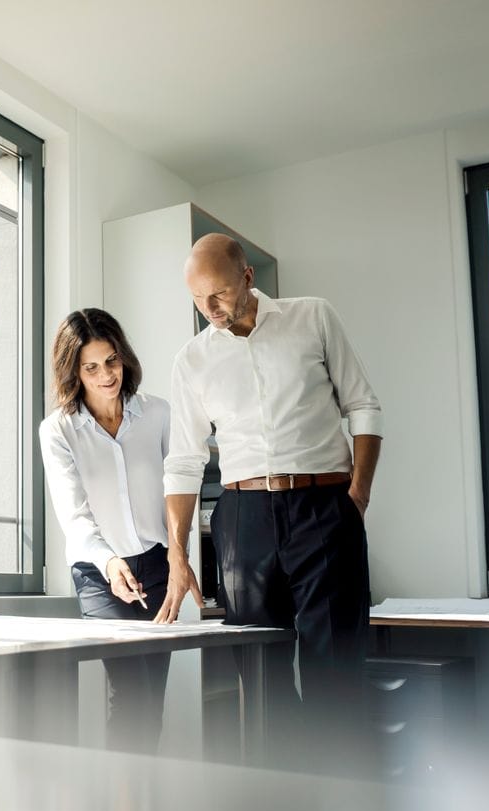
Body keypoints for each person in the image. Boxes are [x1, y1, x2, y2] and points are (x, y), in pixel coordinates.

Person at [158, 233, 382, 772]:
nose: (208, 310)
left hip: (325, 507)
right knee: (260, 671)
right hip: (243, 520)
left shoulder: (313, 317)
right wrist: (177, 551)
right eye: (196, 300)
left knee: (336, 663)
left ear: (247, 277)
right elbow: (185, 461)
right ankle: (285, 804)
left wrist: (357, 497)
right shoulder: (192, 360)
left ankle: (343, 789)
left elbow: (364, 406)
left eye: (217, 294)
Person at [39, 308, 184, 753]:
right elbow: (74, 515)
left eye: (113, 361)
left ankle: (138, 803)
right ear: (74, 371)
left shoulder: (157, 413)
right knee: (129, 693)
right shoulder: (59, 431)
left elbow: (176, 490)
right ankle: (118, 810)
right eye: (92, 367)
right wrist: (109, 561)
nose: (107, 375)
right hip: (100, 576)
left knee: (152, 701)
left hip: (157, 569)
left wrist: (179, 560)